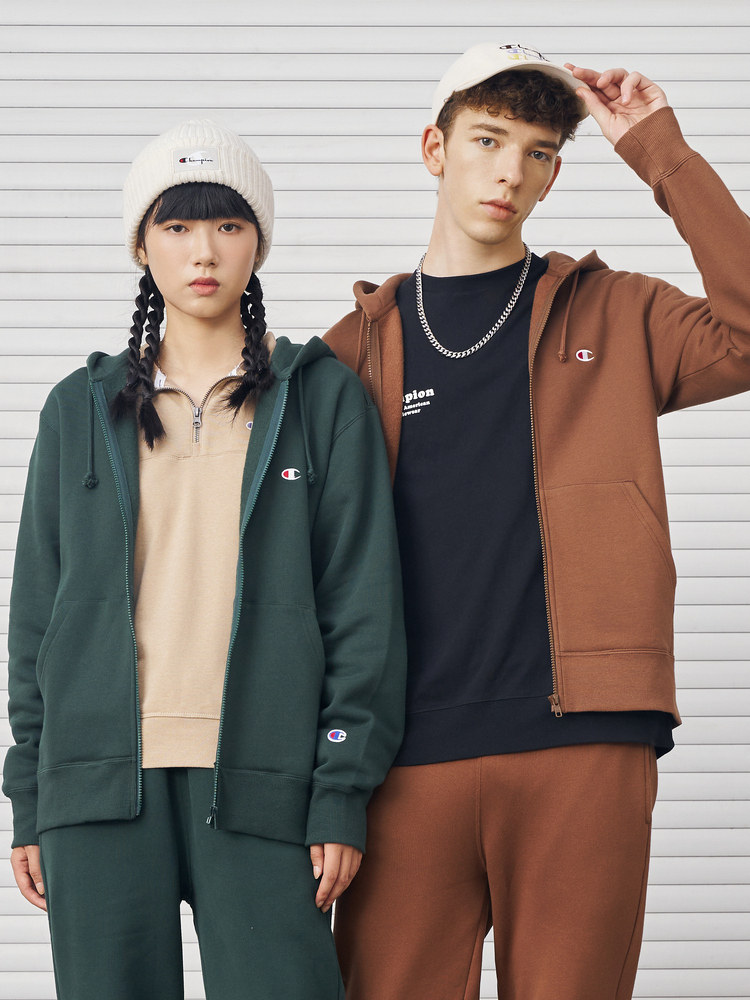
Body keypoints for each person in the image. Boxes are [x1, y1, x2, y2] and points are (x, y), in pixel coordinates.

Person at [324, 42, 750, 1000]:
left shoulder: (620, 312)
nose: (510, 171)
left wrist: (661, 153)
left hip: (584, 742)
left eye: (539, 151)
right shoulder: (350, 353)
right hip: (402, 759)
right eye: (487, 139)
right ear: (435, 149)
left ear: (555, 173)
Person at [3, 119, 406, 1000]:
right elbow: (36, 617)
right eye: (177, 226)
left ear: (258, 243)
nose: (204, 251)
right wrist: (30, 793)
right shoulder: (78, 407)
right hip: (97, 784)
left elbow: (363, 610)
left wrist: (340, 789)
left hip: (268, 779)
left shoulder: (321, 399)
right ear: (141, 245)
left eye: (228, 225)